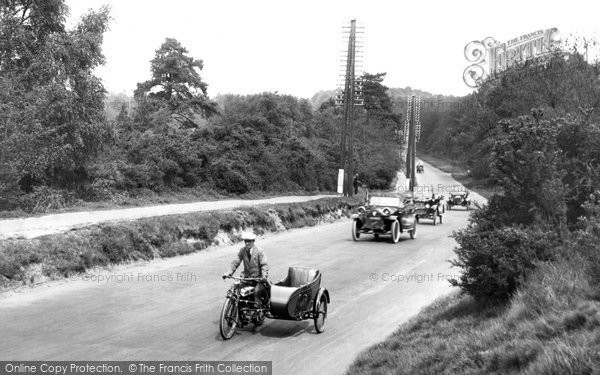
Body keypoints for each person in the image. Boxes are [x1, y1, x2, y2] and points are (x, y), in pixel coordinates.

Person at [222, 231, 270, 308]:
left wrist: (264, 276)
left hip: (258, 279)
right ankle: (237, 308)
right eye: (245, 241)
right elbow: (236, 262)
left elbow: (264, 265)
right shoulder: (242, 251)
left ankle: (256, 311)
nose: (247, 243)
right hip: (246, 278)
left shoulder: (260, 251)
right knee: (237, 290)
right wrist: (228, 273)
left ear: (253, 241)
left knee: (257, 292)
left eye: (249, 241)